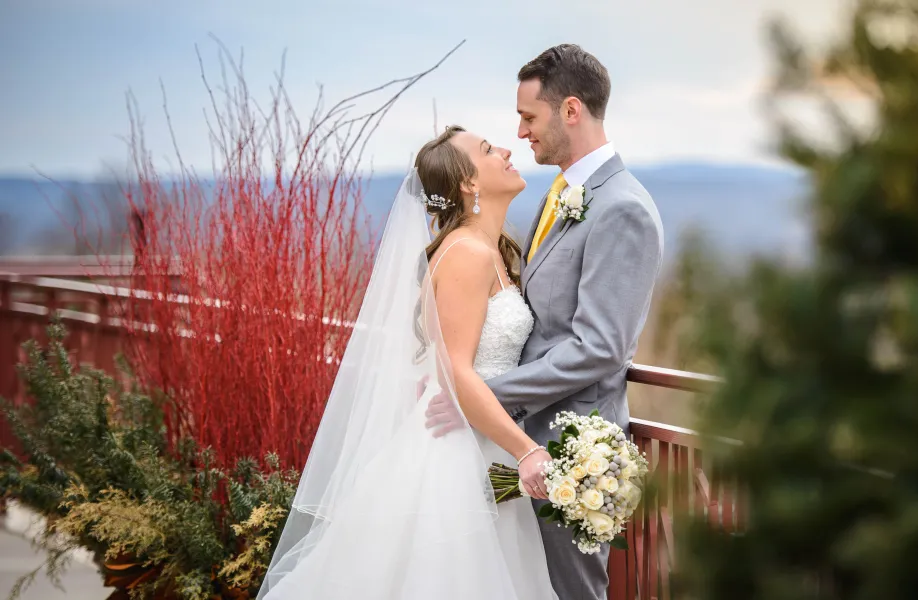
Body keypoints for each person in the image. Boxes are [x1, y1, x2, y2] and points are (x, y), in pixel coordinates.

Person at [257, 124, 558, 599]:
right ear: (468, 184)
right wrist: (527, 450)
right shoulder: (468, 254)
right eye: (486, 149)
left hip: (483, 440)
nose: (505, 148)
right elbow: (460, 370)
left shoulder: (492, 250)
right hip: (460, 450)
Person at [426, 44, 664, 600]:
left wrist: (481, 393)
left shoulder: (622, 208)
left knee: (570, 593)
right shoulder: (559, 195)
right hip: (521, 444)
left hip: (573, 452)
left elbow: (600, 349)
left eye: (529, 117)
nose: (520, 131)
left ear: (572, 111)